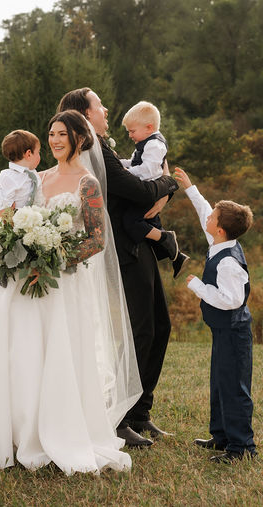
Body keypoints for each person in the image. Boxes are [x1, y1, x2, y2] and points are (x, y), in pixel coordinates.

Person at [0, 109, 142, 474]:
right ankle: (15, 429)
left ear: (79, 140)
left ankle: (56, 430)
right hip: (25, 279)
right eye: (51, 134)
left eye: (61, 135)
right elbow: (13, 216)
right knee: (20, 351)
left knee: (57, 355)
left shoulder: (88, 184)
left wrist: (53, 259)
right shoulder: (37, 178)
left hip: (63, 283)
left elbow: (97, 239)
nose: (54, 141)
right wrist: (20, 248)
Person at [57, 88, 177, 447]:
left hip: (135, 246)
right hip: (121, 251)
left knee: (159, 326)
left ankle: (141, 412)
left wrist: (161, 191)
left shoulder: (104, 149)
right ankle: (122, 417)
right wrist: (169, 183)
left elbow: (141, 187)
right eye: (99, 105)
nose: (106, 109)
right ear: (85, 114)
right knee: (141, 330)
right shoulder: (95, 150)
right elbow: (138, 191)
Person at [174, 166, 257, 462]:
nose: (207, 218)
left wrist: (197, 286)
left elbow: (231, 300)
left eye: (212, 219)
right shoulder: (219, 242)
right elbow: (204, 210)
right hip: (221, 331)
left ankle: (241, 448)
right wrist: (189, 187)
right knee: (220, 382)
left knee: (234, 388)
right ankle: (221, 436)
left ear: (220, 229)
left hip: (234, 332)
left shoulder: (228, 263)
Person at [118, 101, 188, 278]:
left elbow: (148, 170)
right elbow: (134, 162)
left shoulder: (154, 145)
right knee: (152, 225)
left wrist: (125, 174)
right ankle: (177, 257)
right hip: (146, 190)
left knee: (131, 221)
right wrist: (118, 164)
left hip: (149, 191)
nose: (130, 135)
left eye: (132, 131)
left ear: (148, 127)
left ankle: (167, 239)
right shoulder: (145, 142)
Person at [0, 129, 42, 213]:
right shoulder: (8, 176)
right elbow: (4, 206)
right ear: (29, 154)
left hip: (36, 220)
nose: (39, 155)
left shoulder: (33, 174)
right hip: (16, 221)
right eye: (38, 152)